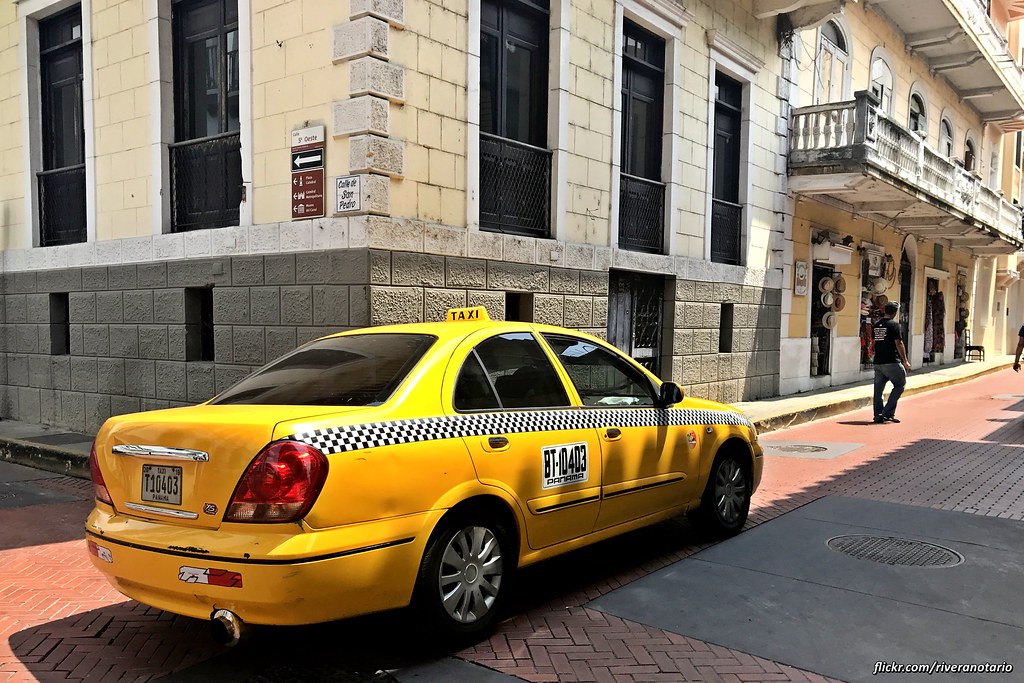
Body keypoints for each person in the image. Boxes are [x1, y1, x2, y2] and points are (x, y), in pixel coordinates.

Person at [872, 301, 912, 423]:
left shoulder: (877, 325)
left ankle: (878, 414)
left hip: (878, 362)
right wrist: (905, 361)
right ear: (894, 312)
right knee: (900, 385)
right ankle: (887, 412)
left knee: (878, 391)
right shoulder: (894, 325)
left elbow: (875, 342)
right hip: (891, 361)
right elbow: (899, 343)